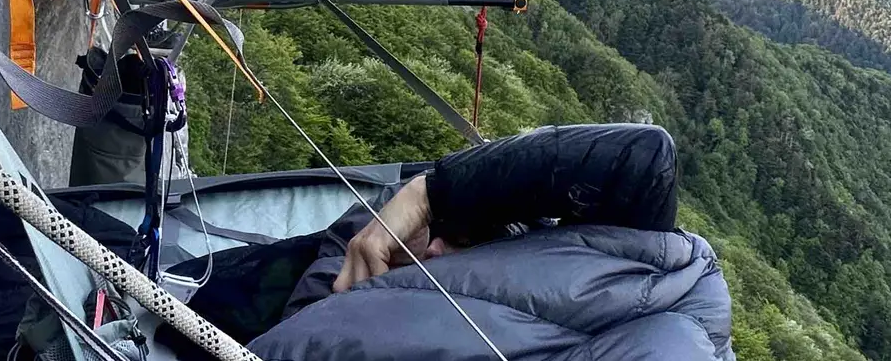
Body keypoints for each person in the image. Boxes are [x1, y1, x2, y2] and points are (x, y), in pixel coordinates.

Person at [245, 124, 736, 360]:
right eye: (414, 252)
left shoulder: (612, 261)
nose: (433, 252)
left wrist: (428, 196)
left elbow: (644, 158)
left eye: (459, 239)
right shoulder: (330, 292)